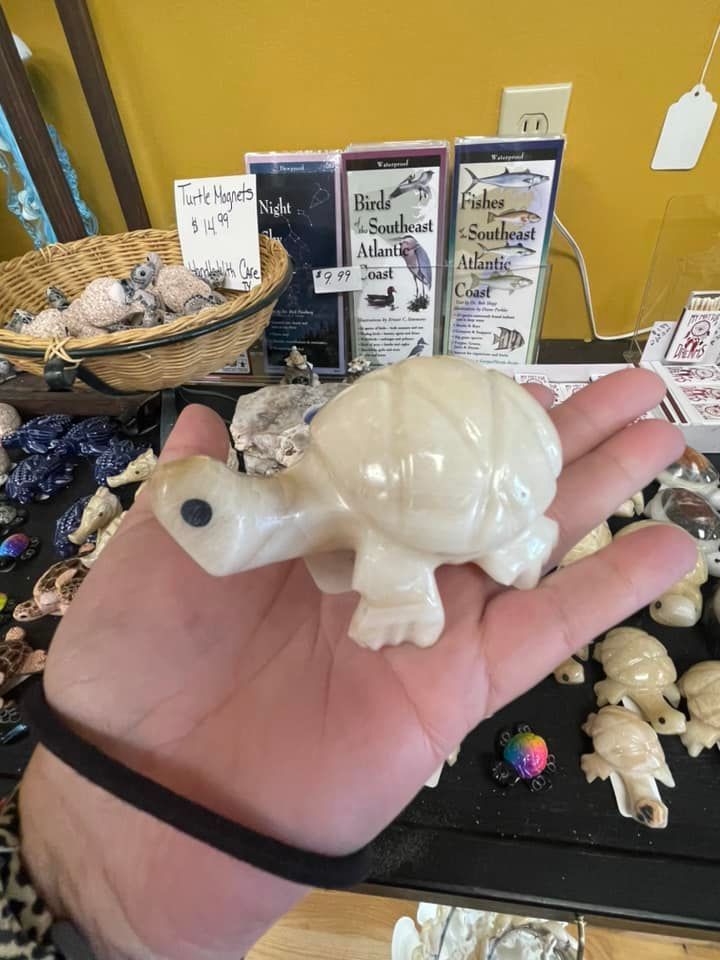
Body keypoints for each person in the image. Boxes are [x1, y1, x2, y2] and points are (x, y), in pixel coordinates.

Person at [10, 369, 694, 960]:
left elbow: (391, 556)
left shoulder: (349, 513)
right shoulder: (322, 488)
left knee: (400, 553)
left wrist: (401, 595)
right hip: (441, 450)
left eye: (205, 516)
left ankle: (517, 534)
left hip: (496, 479)